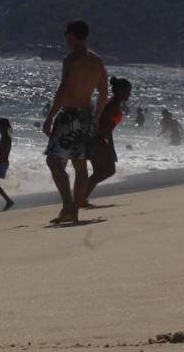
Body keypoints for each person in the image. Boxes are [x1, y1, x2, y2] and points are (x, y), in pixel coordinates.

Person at [42, 20, 107, 225]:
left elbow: (64, 90)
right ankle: (73, 212)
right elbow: (104, 93)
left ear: (72, 35)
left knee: (53, 161)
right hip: (86, 115)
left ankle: (69, 206)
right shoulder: (97, 61)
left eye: (66, 34)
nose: (65, 39)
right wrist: (96, 117)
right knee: (80, 165)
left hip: (69, 115)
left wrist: (50, 116)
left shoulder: (71, 60)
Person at [83, 76, 130, 205]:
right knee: (108, 170)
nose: (129, 94)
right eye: (128, 91)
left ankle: (80, 197)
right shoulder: (112, 105)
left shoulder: (113, 103)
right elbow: (106, 129)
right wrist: (111, 149)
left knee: (100, 172)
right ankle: (80, 197)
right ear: (120, 91)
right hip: (97, 139)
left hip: (95, 139)